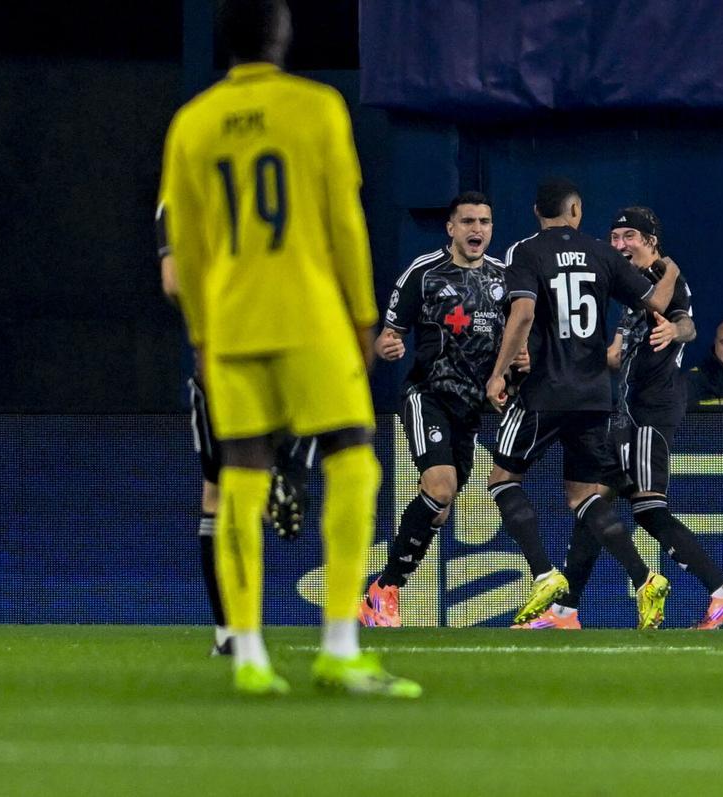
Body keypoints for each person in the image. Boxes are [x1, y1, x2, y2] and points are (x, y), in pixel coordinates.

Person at [158, 0, 418, 696]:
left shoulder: (191, 125)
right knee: (353, 460)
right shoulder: (317, 107)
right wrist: (364, 317)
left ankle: (247, 655)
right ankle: (338, 643)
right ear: (283, 37)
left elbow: (187, 250)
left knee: (238, 478)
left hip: (234, 325)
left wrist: (203, 340)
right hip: (310, 316)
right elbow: (344, 220)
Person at [520, 207, 723, 630]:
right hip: (623, 415)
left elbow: (686, 324)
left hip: (650, 413)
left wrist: (673, 332)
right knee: (593, 506)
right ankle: (564, 612)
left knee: (647, 508)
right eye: (614, 237)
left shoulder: (667, 276)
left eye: (630, 236)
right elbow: (614, 354)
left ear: (651, 241)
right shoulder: (634, 293)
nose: (620, 245)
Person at [485, 178, 680, 629]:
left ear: (538, 211)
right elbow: (658, 302)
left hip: (545, 392)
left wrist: (499, 372)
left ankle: (543, 575)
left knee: (502, 480)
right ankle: (645, 578)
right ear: (576, 211)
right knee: (582, 496)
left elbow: (524, 312)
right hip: (594, 396)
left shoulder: (525, 252)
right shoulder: (601, 252)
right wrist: (668, 269)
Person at [359, 191, 524, 627]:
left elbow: (521, 339)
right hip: (427, 395)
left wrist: (521, 359)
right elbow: (388, 333)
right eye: (467, 221)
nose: (477, 230)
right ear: (450, 227)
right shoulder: (424, 272)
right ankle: (385, 593)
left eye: (484, 222)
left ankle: (383, 587)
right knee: (441, 486)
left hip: (471, 410)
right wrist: (387, 344)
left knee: (441, 505)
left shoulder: (506, 278)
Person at [156, 205, 313, 656]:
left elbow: (173, 281)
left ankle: (230, 630)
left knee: (218, 493)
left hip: (224, 359)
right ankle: (289, 469)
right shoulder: (280, 176)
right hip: (288, 342)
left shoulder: (182, 191)